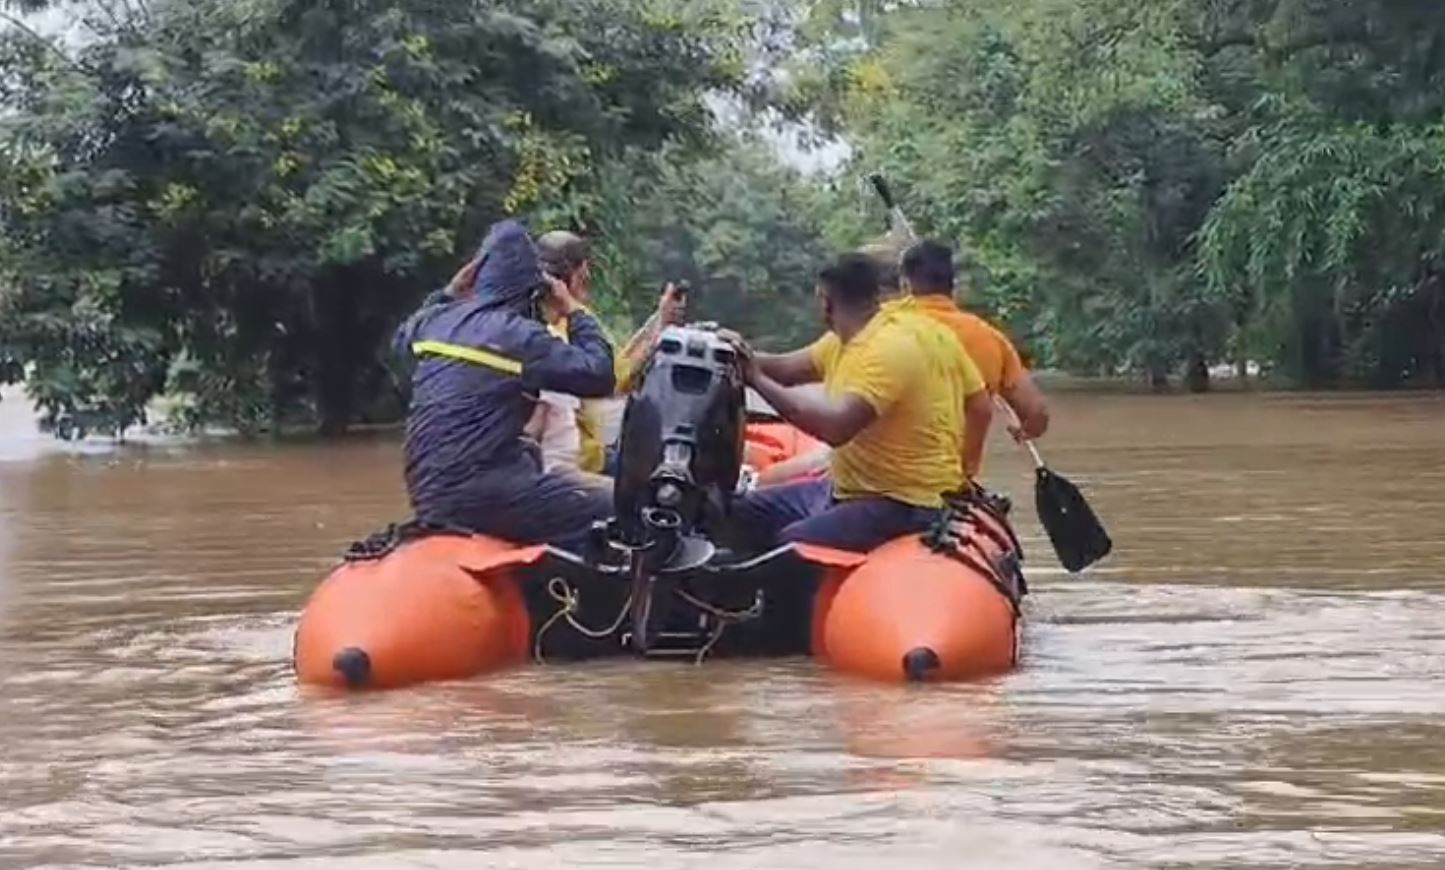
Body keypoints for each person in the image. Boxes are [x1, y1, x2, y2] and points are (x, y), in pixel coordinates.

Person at [726, 253, 993, 554]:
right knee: (739, 513)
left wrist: (756, 380)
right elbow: (788, 370)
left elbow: (836, 428)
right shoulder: (861, 336)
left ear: (824, 301)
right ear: (875, 295)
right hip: (847, 490)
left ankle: (779, 599)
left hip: (902, 502)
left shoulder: (886, 350)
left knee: (791, 545)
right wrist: (733, 353)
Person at [393, 220, 615, 548]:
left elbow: (399, 345)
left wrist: (448, 294)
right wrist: (574, 310)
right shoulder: (519, 336)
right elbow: (599, 375)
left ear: (476, 274)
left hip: (427, 494)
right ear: (532, 285)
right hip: (483, 494)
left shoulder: (435, 321)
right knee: (622, 507)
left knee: (526, 453)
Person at [531, 230, 687, 477]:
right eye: (583, 271)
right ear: (575, 275)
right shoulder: (560, 335)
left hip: (586, 454)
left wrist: (658, 320)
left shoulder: (556, 321)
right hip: (578, 465)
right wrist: (659, 327)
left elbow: (614, 364)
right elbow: (613, 381)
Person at [901, 239, 1050, 443]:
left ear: (905, 283)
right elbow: (1036, 413)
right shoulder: (989, 337)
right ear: (953, 284)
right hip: (956, 472)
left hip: (883, 470)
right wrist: (1025, 431)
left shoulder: (883, 327)